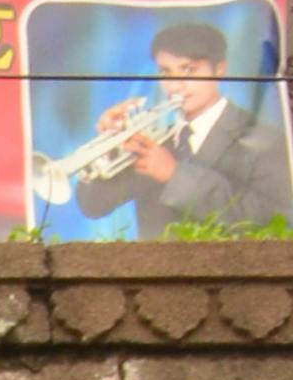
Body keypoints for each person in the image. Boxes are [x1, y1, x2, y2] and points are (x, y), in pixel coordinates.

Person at [58, 15, 287, 238]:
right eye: (166, 72)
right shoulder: (154, 142)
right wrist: (110, 148)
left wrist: (175, 175)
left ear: (219, 69)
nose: (175, 85)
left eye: (188, 70)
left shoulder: (260, 138)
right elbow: (93, 207)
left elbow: (271, 221)